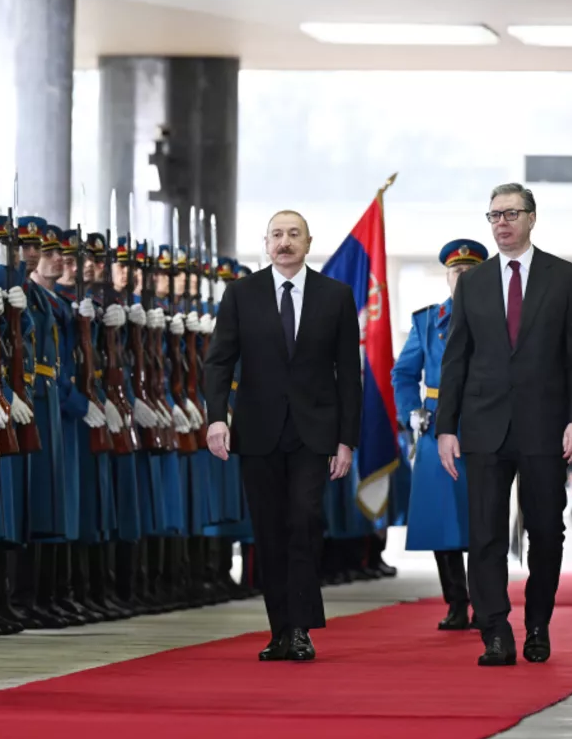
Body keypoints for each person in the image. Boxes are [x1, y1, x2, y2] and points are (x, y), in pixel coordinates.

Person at [436, 182, 572, 666]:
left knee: (546, 531)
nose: (501, 223)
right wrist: (446, 427)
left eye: (510, 214)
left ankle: (538, 624)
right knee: (483, 532)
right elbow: (456, 358)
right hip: (483, 427)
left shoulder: (564, 277)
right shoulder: (475, 282)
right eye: (493, 215)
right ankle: (495, 630)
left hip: (546, 427)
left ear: (531, 218)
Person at [205, 210, 361, 662]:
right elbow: (219, 361)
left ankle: (301, 629)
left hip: (315, 434)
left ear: (309, 242)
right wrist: (218, 417)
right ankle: (280, 630)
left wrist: (346, 440)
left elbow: (348, 374)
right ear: (266, 242)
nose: (285, 241)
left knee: (304, 522)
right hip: (257, 432)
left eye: (294, 234)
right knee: (269, 531)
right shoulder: (241, 294)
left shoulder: (335, 296)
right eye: (277, 234)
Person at [392, 238, 487, 631]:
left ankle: (486, 604)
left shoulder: (498, 320)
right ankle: (455, 602)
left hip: (483, 426)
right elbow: (403, 373)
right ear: (447, 276)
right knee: (441, 520)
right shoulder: (428, 321)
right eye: (456, 271)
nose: (462, 277)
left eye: (470, 271)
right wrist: (409, 413)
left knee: (483, 519)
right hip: (435, 428)